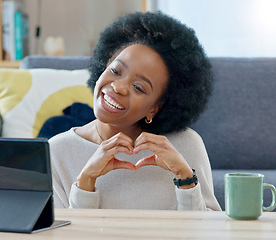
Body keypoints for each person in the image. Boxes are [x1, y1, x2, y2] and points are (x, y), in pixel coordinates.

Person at [49, 11, 221, 211]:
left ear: (154, 109)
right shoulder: (58, 151)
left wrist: (185, 179)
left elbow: (207, 229)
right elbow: (62, 232)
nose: (119, 87)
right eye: (115, 71)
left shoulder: (185, 145)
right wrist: (86, 181)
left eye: (139, 88)